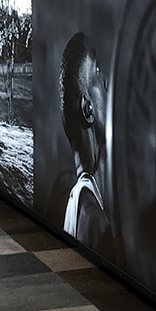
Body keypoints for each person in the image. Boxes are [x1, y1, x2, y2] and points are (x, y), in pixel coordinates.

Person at [59, 32, 114, 255]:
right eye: (98, 71)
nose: (107, 81)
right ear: (87, 108)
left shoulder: (79, 200)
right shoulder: (93, 219)